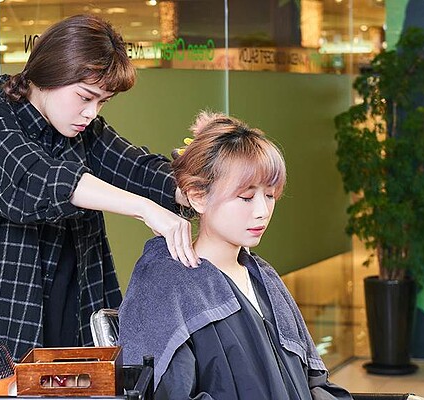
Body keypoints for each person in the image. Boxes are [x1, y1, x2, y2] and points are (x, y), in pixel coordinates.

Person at [0, 14, 198, 368]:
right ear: (51, 72)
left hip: (81, 326)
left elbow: (139, 170)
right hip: (2, 335)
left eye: (102, 102)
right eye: (85, 97)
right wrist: (144, 209)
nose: (90, 113)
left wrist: (199, 183)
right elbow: (38, 180)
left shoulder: (85, 133)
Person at [118, 112, 351, 400]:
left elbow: (314, 382)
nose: (262, 212)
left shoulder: (263, 277)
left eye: (270, 195)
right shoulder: (166, 284)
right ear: (197, 196)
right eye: (246, 197)